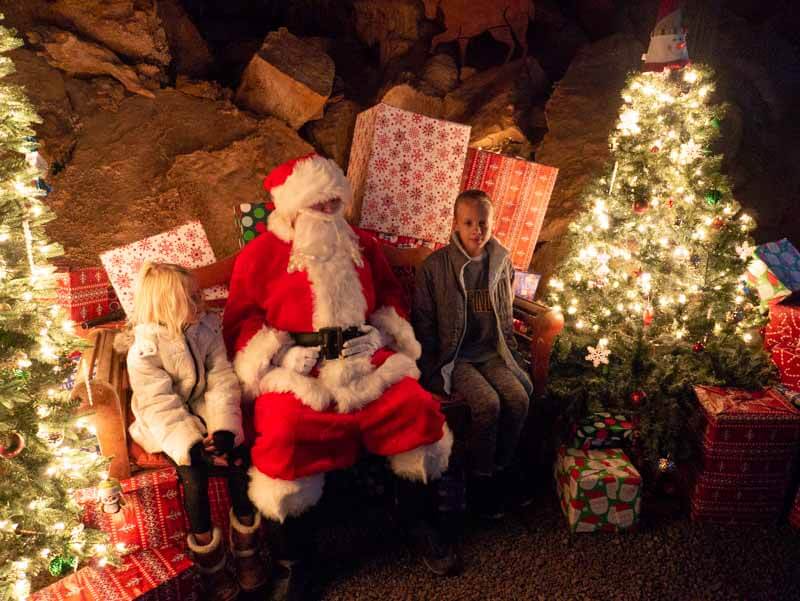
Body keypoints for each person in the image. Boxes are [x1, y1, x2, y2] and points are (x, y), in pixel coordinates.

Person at [222, 153, 457, 599]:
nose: (330, 212)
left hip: (366, 360)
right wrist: (281, 355)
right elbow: (241, 319)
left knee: (417, 408)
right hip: (299, 371)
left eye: (335, 202)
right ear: (292, 207)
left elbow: (389, 295)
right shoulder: (261, 254)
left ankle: (418, 522)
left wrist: (381, 329)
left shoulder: (362, 244)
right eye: (319, 204)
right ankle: (295, 559)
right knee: (284, 433)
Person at [124, 262, 266, 600]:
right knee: (194, 473)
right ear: (168, 305)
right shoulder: (143, 352)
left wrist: (224, 429)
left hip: (203, 407)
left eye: (198, 294)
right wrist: (190, 445)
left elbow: (220, 379)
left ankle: (247, 552)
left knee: (237, 460)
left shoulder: (206, 328)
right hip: (163, 421)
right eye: (190, 298)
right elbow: (160, 405)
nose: (199, 302)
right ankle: (211, 564)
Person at [412, 189, 533, 520]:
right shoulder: (435, 267)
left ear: (492, 223)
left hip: (492, 352)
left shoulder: (501, 262)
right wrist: (430, 368)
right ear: (456, 224)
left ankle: (501, 467)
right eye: (469, 223)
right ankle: (481, 481)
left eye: (483, 223)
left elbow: (505, 316)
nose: (477, 230)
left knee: (518, 397)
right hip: (456, 358)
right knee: (488, 403)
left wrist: (512, 352)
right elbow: (424, 323)